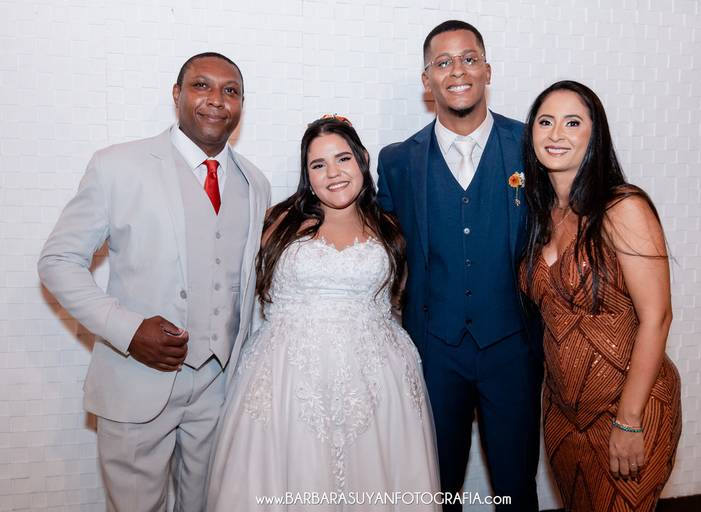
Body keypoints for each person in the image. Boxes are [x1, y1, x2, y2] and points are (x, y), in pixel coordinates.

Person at [37, 52, 270, 512]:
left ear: (242, 105)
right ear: (176, 94)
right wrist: (129, 330)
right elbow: (58, 261)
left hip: (220, 388)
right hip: (135, 380)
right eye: (201, 85)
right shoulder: (117, 165)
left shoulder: (255, 182)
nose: (216, 100)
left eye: (231, 91)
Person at [206, 116, 440, 511]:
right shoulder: (279, 223)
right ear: (307, 176)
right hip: (290, 378)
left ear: (362, 159)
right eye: (318, 164)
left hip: (376, 378)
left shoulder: (389, 227)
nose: (333, 173)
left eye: (343, 158)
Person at [376, 20, 543, 510]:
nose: (458, 71)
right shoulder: (398, 161)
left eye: (469, 59)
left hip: (512, 348)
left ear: (487, 70)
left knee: (515, 488)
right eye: (443, 62)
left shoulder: (530, 145)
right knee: (436, 486)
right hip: (433, 352)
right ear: (426, 79)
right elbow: (381, 247)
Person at [519, 80, 682, 512]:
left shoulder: (621, 208)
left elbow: (657, 317)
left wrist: (628, 420)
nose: (557, 134)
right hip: (562, 415)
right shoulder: (539, 214)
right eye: (545, 122)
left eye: (573, 123)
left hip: (629, 407)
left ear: (595, 134)